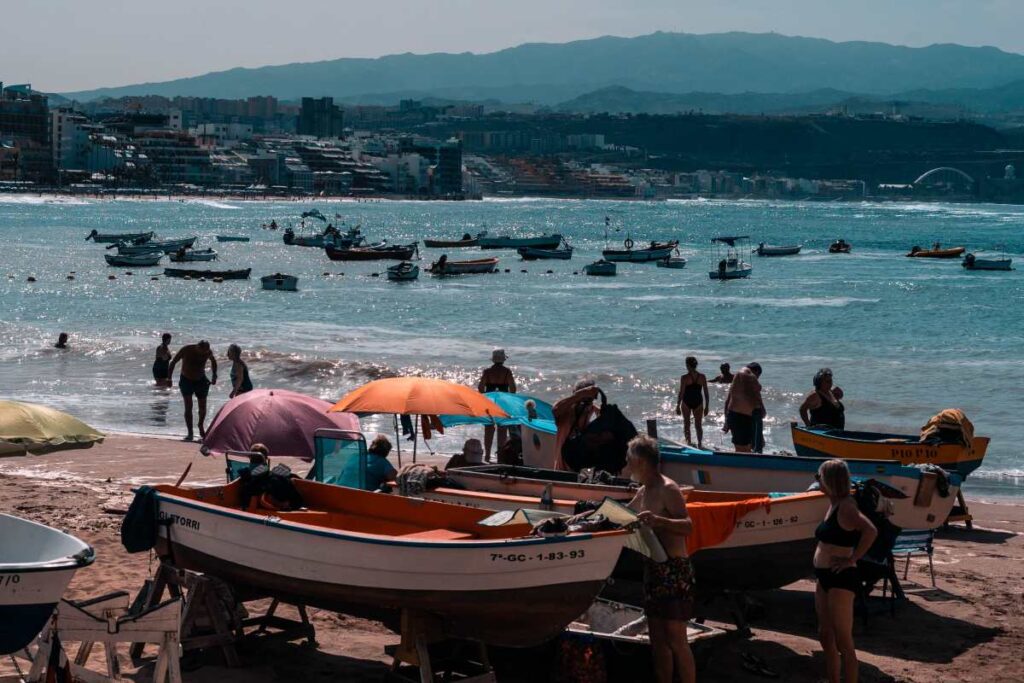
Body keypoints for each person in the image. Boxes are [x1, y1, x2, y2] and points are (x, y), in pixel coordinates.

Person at [625, 435, 696, 683]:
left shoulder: (668, 488)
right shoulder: (644, 490)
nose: (626, 464)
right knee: (657, 639)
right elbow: (624, 513)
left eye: (629, 460)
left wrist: (660, 522)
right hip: (653, 567)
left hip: (674, 570)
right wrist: (587, 514)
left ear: (640, 461)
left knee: (676, 639)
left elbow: (688, 526)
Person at [814, 459, 878, 683]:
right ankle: (833, 679)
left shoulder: (847, 506)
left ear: (830, 480)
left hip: (841, 578)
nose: (817, 481)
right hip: (824, 577)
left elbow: (870, 531)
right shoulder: (832, 503)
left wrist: (852, 559)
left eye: (819, 477)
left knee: (843, 640)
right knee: (825, 634)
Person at [167, 340, 217, 441]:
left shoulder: (208, 351)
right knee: (188, 407)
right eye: (201, 351)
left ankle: (200, 425)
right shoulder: (187, 349)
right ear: (197, 347)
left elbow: (213, 361)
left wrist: (214, 375)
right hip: (186, 380)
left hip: (201, 380)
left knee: (202, 407)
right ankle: (190, 433)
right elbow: (173, 362)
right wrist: (169, 378)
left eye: (205, 352)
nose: (203, 354)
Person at [552, 379, 601, 470]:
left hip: (582, 471)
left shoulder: (591, 410)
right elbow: (555, 410)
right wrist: (581, 394)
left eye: (590, 400)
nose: (586, 405)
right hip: (563, 471)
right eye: (583, 401)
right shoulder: (565, 412)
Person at [478, 348, 516, 461]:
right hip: (503, 402)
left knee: (488, 428)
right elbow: (513, 389)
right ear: (504, 359)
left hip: (489, 401)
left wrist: (488, 394)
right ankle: (500, 455)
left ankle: (488, 455)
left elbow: (480, 388)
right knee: (502, 429)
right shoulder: (507, 372)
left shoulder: (487, 372)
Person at [723, 363, 764, 453]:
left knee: (741, 448)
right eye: (758, 376)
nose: (757, 378)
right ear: (756, 371)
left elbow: (727, 401)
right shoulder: (749, 376)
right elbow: (757, 395)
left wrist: (726, 421)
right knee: (744, 450)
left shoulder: (737, 378)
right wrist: (763, 410)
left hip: (733, 415)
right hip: (741, 418)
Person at [675, 357, 709, 448]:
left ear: (687, 365)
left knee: (686, 424)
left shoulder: (684, 378)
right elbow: (706, 393)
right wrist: (707, 406)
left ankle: (688, 443)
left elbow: (681, 393)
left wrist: (678, 405)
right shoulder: (702, 377)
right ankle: (700, 444)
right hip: (698, 402)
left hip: (686, 402)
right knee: (698, 425)